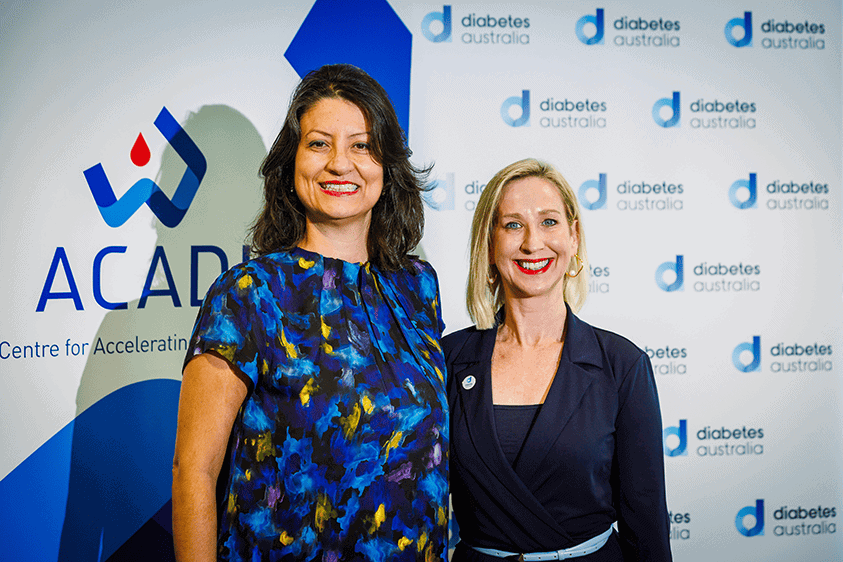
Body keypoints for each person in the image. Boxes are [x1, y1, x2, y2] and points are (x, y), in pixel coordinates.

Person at [172, 64, 448, 562]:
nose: (340, 164)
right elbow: (193, 470)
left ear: (387, 165)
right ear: (291, 162)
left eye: (361, 145)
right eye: (319, 143)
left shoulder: (417, 285)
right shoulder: (249, 294)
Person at [443, 158, 672, 561]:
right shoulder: (447, 360)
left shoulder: (622, 365)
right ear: (490, 244)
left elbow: (647, 524)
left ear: (574, 238)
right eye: (513, 225)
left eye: (549, 222)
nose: (533, 243)